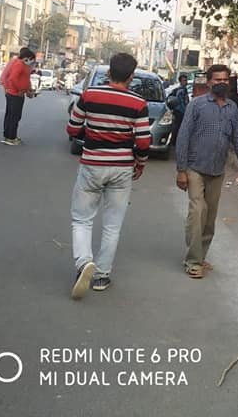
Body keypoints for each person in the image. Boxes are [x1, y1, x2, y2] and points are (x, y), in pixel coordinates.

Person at [67, 52, 151, 297]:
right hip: (122, 167)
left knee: (82, 219)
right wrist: (140, 163)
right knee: (112, 225)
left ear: (109, 72)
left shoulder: (89, 95)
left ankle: (84, 263)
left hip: (92, 164)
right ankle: (102, 276)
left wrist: (91, 134)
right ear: (131, 76)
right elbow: (144, 142)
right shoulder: (138, 103)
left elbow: (72, 128)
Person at [175, 64, 238, 279]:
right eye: (217, 80)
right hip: (195, 167)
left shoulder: (232, 108)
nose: (221, 83)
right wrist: (181, 170)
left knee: (210, 217)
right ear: (209, 82)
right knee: (197, 212)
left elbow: (237, 138)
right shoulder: (197, 105)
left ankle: (200, 254)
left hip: (217, 170)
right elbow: (183, 137)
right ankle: (193, 261)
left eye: (225, 80)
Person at [0, 47, 36, 146]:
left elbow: (26, 80)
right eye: (31, 59)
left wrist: (29, 90)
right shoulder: (19, 64)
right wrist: (20, 89)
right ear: (26, 58)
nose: (32, 62)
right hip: (15, 94)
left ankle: (9, 136)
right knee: (13, 116)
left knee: (13, 115)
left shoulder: (25, 66)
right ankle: (11, 137)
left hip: (19, 93)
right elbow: (13, 79)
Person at [167, 74, 190, 148]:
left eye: (186, 80)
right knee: (177, 127)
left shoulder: (183, 89)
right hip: (179, 111)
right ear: (180, 81)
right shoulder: (180, 90)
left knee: (178, 127)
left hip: (180, 111)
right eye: (184, 80)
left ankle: (174, 141)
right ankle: (174, 142)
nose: (185, 82)